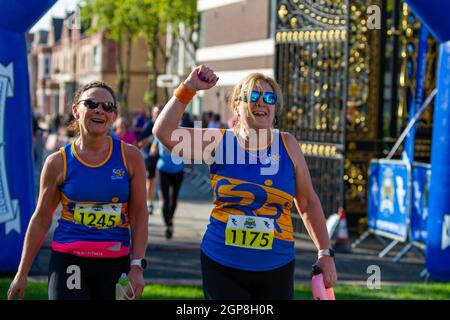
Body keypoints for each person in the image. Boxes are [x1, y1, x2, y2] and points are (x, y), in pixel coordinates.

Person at [153, 65, 337, 299]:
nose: (261, 102)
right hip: (222, 261)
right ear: (237, 108)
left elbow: (308, 202)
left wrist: (325, 253)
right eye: (252, 96)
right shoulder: (218, 141)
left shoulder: (288, 145)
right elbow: (164, 132)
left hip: (276, 264)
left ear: (275, 108)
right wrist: (188, 88)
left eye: (269, 98)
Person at [8, 81, 148, 300]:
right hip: (69, 259)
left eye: (107, 107)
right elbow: (42, 217)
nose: (100, 110)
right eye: (91, 103)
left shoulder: (131, 157)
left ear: (113, 116)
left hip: (115, 261)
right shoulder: (57, 162)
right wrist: (22, 272)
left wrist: (137, 265)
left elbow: (139, 215)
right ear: (76, 110)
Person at [150, 137, 184, 239]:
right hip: (163, 169)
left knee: (174, 198)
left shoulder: (181, 135)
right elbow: (153, 149)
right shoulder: (160, 133)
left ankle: (170, 220)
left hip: (178, 170)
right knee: (165, 199)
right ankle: (168, 225)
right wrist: (153, 150)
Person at [138, 105, 163, 214]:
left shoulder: (164, 125)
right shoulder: (148, 125)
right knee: (151, 181)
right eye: (156, 112)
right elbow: (140, 143)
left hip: (162, 157)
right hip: (150, 157)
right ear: (153, 114)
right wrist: (149, 139)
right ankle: (150, 203)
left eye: (160, 112)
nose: (158, 114)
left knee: (162, 181)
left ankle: (163, 203)